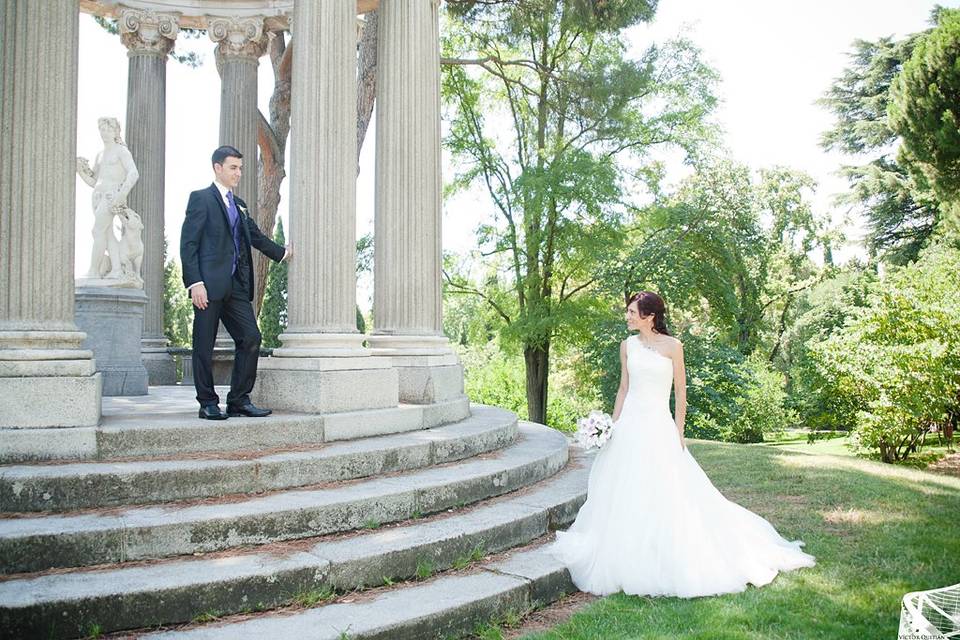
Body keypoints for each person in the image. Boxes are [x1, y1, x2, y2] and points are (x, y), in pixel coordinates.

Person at [548, 291, 815, 597]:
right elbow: (623, 387)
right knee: (623, 485)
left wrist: (678, 432)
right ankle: (626, 545)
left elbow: (681, 393)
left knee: (667, 488)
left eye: (633, 313)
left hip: (658, 425)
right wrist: (612, 424)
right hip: (629, 425)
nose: (628, 317)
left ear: (650, 317)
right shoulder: (627, 346)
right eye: (628, 312)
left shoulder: (674, 347)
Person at [180, 145, 293, 420]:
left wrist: (282, 253)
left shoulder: (239, 205)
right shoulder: (201, 199)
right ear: (218, 168)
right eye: (233, 167)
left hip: (236, 286)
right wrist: (195, 282)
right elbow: (189, 243)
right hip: (207, 285)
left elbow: (254, 236)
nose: (238, 173)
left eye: (240, 168)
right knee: (203, 344)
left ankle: (239, 400)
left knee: (251, 337)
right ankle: (207, 403)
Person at [77, 117, 139, 279]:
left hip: (112, 196)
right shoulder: (99, 155)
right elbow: (95, 181)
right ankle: (117, 269)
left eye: (109, 130)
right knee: (107, 234)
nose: (105, 133)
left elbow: (134, 173)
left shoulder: (121, 151)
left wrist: (121, 194)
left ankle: (93, 270)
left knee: (97, 231)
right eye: (103, 130)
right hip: (97, 197)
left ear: (116, 132)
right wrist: (81, 171)